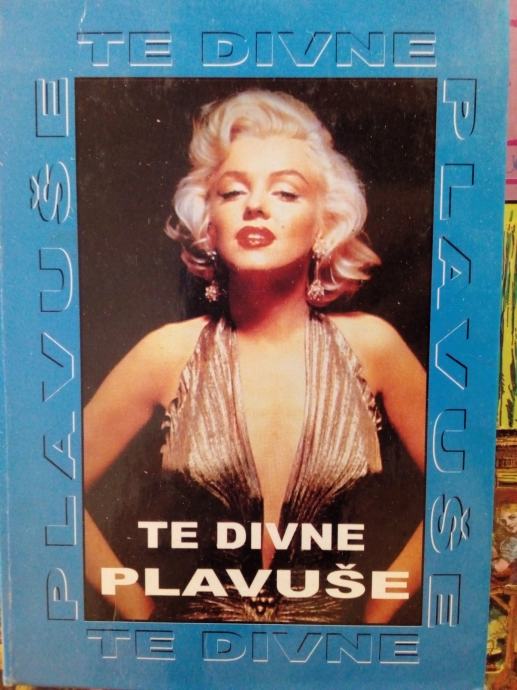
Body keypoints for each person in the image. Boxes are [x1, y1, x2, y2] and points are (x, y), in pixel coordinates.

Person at [84, 89, 426, 623]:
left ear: (325, 222)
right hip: (195, 656)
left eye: (286, 192)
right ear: (209, 224)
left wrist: (380, 610)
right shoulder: (166, 353)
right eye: (232, 191)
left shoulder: (374, 347)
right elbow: (47, 484)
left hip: (333, 658)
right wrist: (139, 610)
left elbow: (464, 488)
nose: (256, 206)